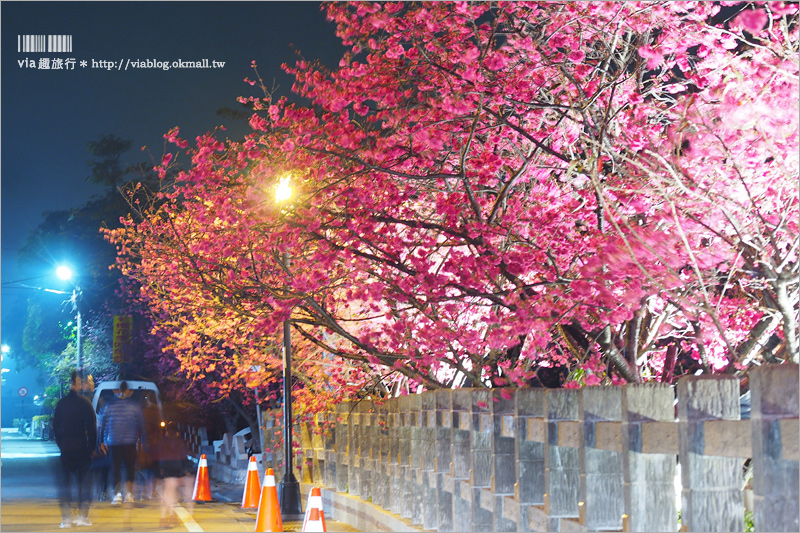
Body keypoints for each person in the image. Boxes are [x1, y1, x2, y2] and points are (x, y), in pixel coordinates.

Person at [52, 371, 97, 528]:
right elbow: (92, 428)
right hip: (82, 448)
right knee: (83, 482)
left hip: (66, 448)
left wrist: (61, 444)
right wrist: (91, 448)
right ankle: (82, 516)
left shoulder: (61, 404)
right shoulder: (85, 403)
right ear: (77, 384)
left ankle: (66, 519)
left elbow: (55, 427)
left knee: (65, 483)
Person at [100, 381, 147, 505]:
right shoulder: (135, 405)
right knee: (130, 468)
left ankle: (117, 495)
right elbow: (142, 425)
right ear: (129, 391)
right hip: (130, 442)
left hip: (114, 442)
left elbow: (103, 424)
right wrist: (143, 441)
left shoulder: (110, 404)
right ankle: (129, 494)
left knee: (115, 469)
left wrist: (101, 441)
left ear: (119, 390)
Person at [158, 421, 192, 528]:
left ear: (167, 431)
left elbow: (159, 456)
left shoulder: (163, 442)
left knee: (167, 494)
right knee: (173, 495)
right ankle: (167, 518)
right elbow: (183, 456)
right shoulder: (179, 442)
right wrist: (186, 470)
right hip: (177, 469)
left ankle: (167, 517)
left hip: (166, 469)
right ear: (177, 432)